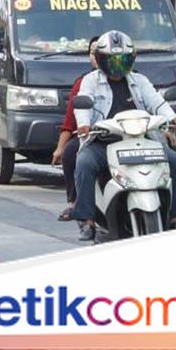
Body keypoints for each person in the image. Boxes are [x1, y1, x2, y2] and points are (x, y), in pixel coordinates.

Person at [72, 30, 176, 241]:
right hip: (104, 141)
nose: (117, 65)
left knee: (173, 160)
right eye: (111, 60)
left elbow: (157, 102)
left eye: (122, 60)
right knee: (84, 163)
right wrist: (83, 125)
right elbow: (83, 104)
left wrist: (173, 119)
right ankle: (87, 220)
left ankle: (174, 215)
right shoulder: (89, 81)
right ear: (100, 60)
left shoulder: (139, 80)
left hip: (141, 139)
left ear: (131, 59)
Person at [52, 37, 100, 222]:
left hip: (125, 134)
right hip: (92, 137)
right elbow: (71, 120)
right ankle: (75, 203)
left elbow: (151, 106)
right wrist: (60, 147)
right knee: (71, 152)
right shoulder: (84, 83)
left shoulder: (134, 78)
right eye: (92, 52)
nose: (96, 57)